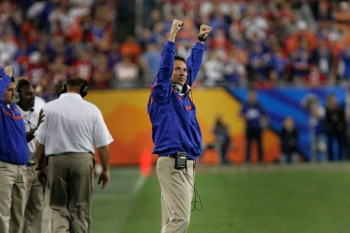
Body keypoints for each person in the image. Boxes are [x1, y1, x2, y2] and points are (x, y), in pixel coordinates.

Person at [147, 19, 212, 233]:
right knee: (180, 221)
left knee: (171, 221)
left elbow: (192, 66)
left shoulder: (182, 94)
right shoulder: (163, 94)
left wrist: (200, 41)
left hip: (183, 161)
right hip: (174, 161)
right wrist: (172, 37)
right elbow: (165, 68)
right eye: (177, 70)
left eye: (183, 70)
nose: (182, 72)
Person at [35, 76, 113, 233]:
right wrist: (105, 169)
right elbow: (103, 144)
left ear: (64, 88)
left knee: (58, 208)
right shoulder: (92, 109)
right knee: (80, 209)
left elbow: (40, 143)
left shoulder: (48, 108)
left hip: (56, 161)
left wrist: (39, 167)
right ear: (85, 91)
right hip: (82, 161)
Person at [15, 79, 51, 232]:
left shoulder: (38, 113)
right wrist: (35, 129)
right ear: (18, 96)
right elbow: (16, 140)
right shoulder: (11, 114)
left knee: (36, 210)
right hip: (20, 168)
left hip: (37, 167)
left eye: (33, 93)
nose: (32, 97)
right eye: (27, 94)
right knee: (17, 212)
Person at [0, 66, 29, 233]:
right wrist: (6, 75)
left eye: (14, 90)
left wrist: (23, 168)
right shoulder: (1, 109)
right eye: (9, 90)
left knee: (18, 216)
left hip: (20, 169)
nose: (13, 93)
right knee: (2, 214)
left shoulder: (14, 108)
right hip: (4, 168)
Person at [241, 88, 267, 163]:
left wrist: (264, 124)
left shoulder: (259, 105)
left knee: (259, 145)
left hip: (258, 127)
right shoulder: (245, 105)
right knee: (248, 145)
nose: (252, 97)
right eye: (250, 95)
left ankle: (260, 160)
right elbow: (241, 114)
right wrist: (245, 116)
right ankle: (247, 160)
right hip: (249, 127)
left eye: (253, 95)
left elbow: (264, 115)